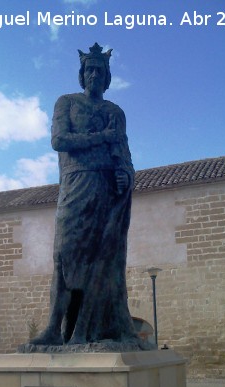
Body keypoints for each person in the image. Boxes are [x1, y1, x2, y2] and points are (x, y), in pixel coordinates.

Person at [31, 43, 145, 347]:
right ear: (82, 75)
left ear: (106, 77)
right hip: (75, 186)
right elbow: (59, 140)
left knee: (101, 260)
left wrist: (125, 175)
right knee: (63, 256)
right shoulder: (66, 103)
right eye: (89, 69)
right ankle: (54, 328)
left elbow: (125, 155)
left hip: (106, 191)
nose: (94, 74)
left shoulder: (115, 113)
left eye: (100, 70)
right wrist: (102, 138)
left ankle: (87, 329)